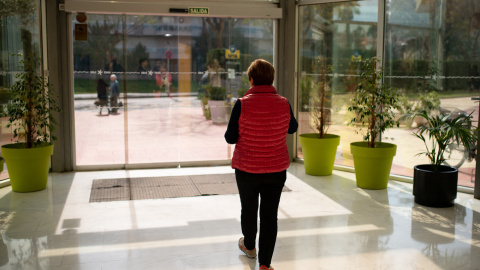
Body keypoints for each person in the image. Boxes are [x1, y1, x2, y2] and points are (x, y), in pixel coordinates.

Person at [224, 59, 298, 270]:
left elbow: (230, 137)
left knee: (249, 209)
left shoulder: (242, 104)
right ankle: (265, 264)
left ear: (252, 80)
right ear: (271, 79)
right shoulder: (284, 103)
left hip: (247, 169)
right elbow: (292, 128)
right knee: (269, 215)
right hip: (276, 170)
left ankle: (249, 246)